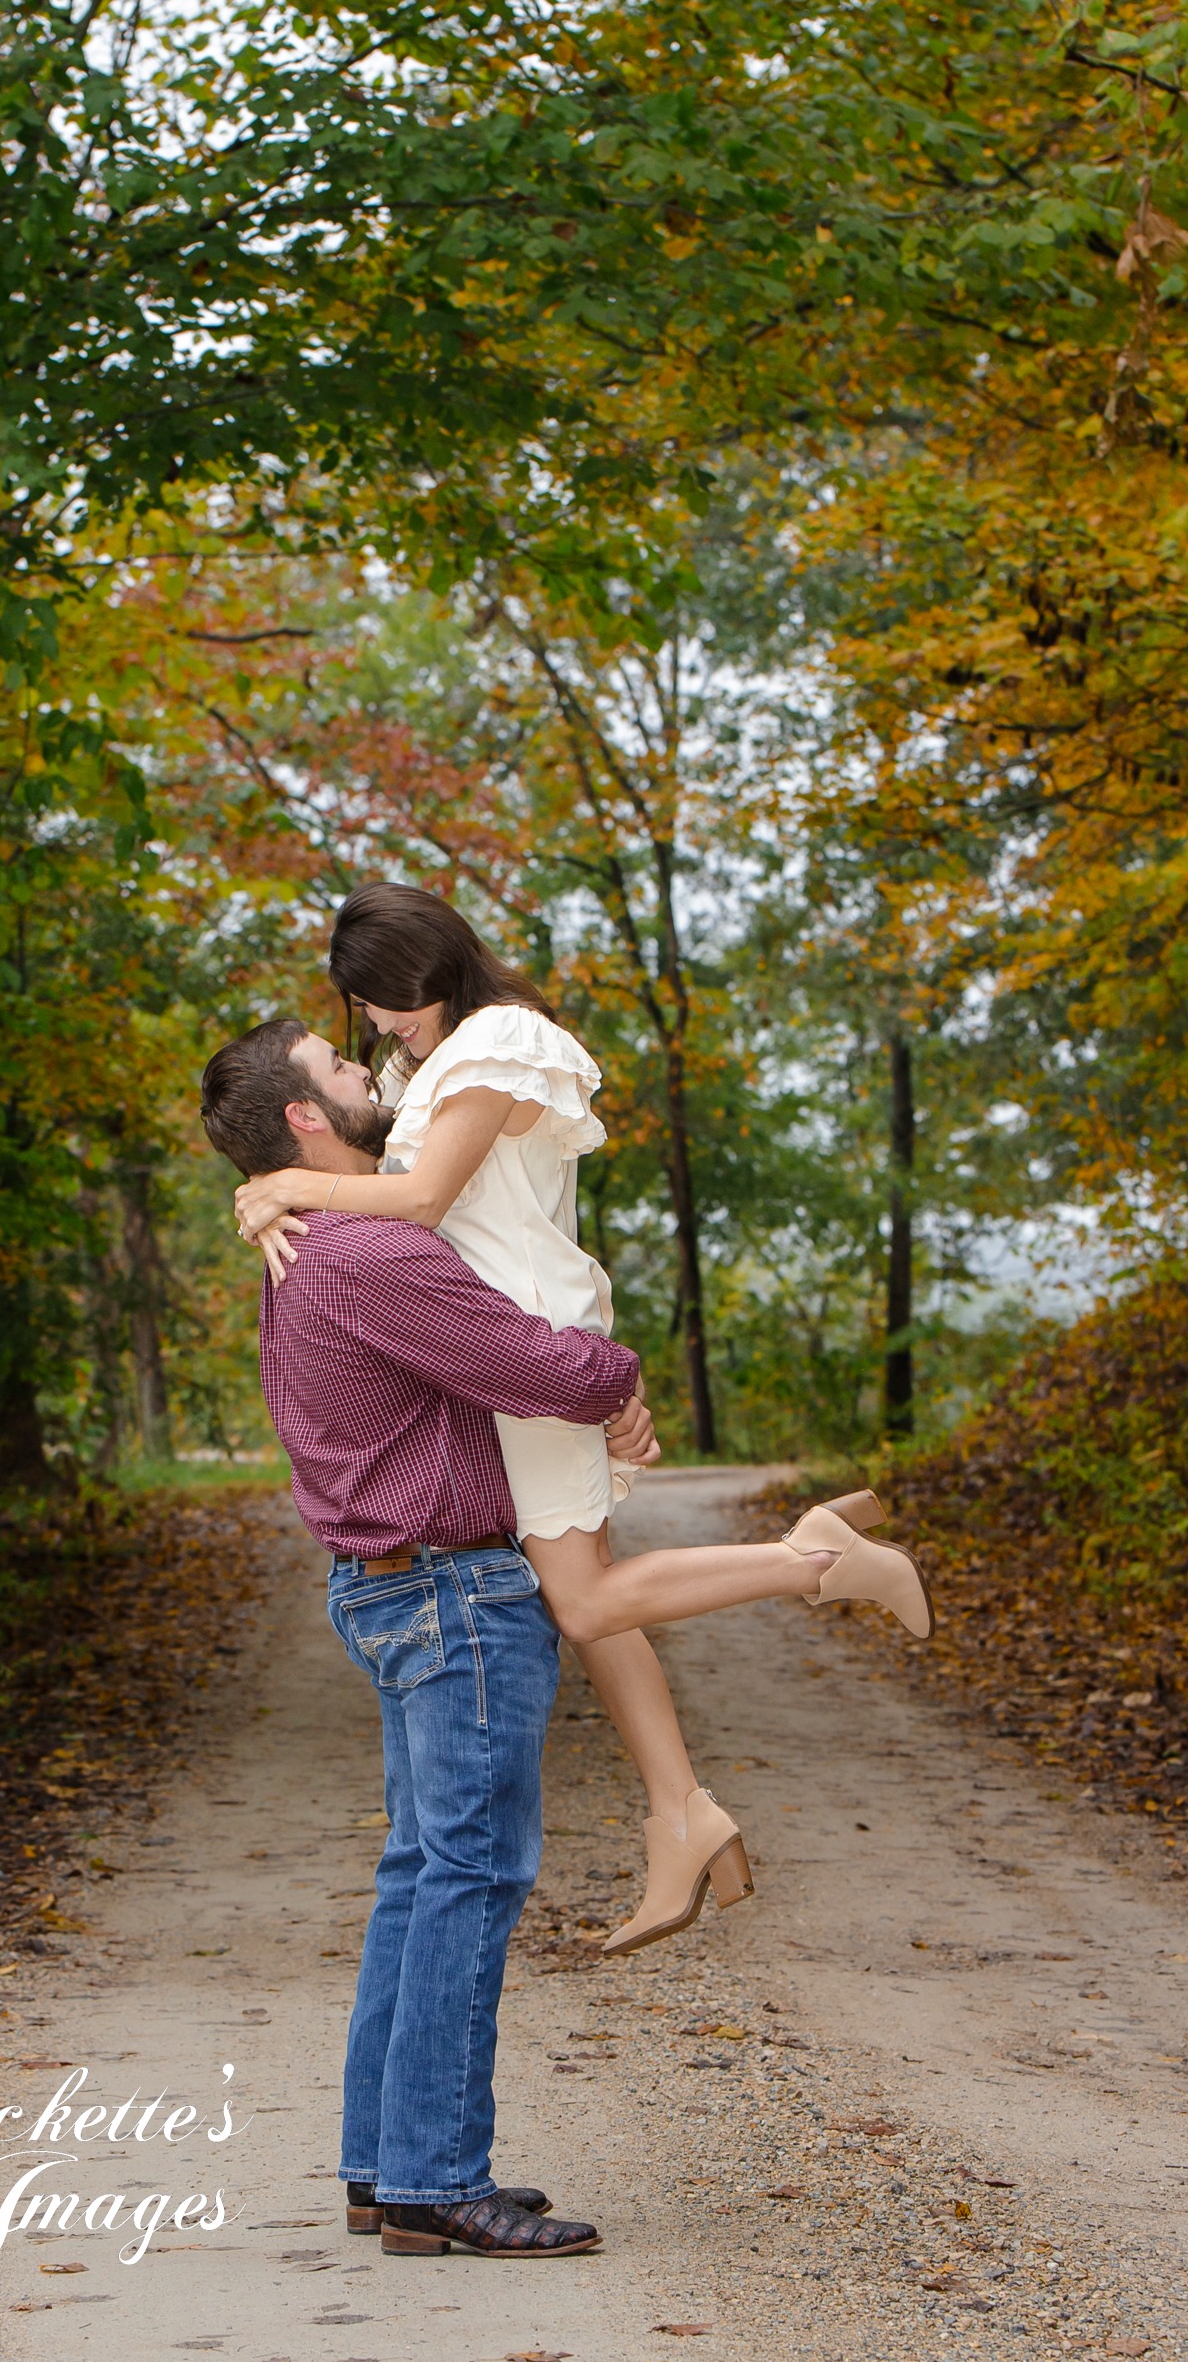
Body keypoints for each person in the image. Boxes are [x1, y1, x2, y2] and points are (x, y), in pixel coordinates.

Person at [231, 885, 933, 1955]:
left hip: (521, 1339)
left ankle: (816, 1560)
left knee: (588, 1598)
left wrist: (282, 1179)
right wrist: (268, 1192)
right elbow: (380, 1186)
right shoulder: (436, 1063)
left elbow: (416, 1201)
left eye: (380, 1004)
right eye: (360, 1016)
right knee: (585, 1593)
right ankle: (681, 1816)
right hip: (493, 1344)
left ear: (430, 967)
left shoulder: (500, 1040)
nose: (374, 1029)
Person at [199, 1014, 656, 2257]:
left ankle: (385, 2162)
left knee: (422, 1874)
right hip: (453, 1595)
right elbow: (533, 1363)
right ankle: (435, 2179)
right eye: (342, 1072)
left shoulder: (310, 1242)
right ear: (305, 1119)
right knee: (470, 1874)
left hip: (394, 1586)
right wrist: (615, 1380)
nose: (369, 1079)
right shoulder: (361, 1251)